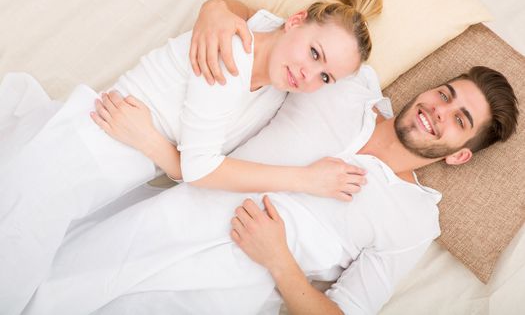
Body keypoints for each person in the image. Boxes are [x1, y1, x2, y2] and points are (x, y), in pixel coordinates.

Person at [0, 0, 383, 312]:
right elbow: (200, 168)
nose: (308, 74)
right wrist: (306, 180)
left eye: (326, 77)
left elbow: (195, 168)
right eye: (314, 53)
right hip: (83, 149)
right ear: (295, 21)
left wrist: (153, 143)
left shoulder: (275, 87)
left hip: (109, 179)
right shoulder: (232, 49)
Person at [22, 66, 519, 315]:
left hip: (228, 284)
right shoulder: (347, 85)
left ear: (460, 154)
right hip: (172, 216)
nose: (438, 110)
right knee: (38, 285)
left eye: (460, 120)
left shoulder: (415, 219)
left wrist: (279, 258)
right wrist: (220, 10)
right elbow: (270, 36)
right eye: (445, 94)